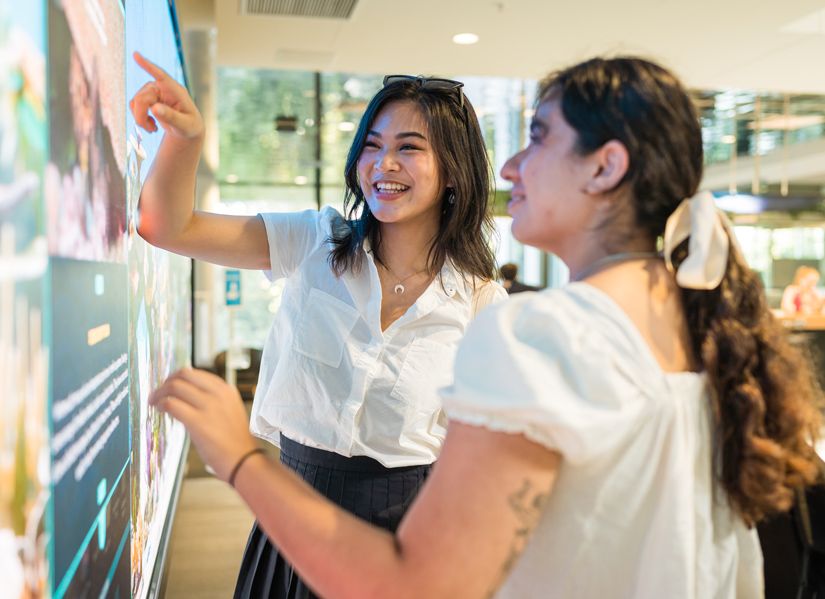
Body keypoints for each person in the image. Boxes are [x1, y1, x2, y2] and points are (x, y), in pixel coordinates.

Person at [149, 56, 824, 598]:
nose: (510, 167)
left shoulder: (529, 328)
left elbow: (413, 582)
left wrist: (236, 455)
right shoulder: (687, 322)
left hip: (396, 526)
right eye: (374, 146)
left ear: (606, 165)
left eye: (536, 138)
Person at [129, 53, 506, 598]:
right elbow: (167, 226)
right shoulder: (313, 242)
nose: (384, 164)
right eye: (372, 146)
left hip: (409, 527)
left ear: (453, 171)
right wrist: (184, 139)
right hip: (291, 507)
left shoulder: (479, 302)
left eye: (408, 148)